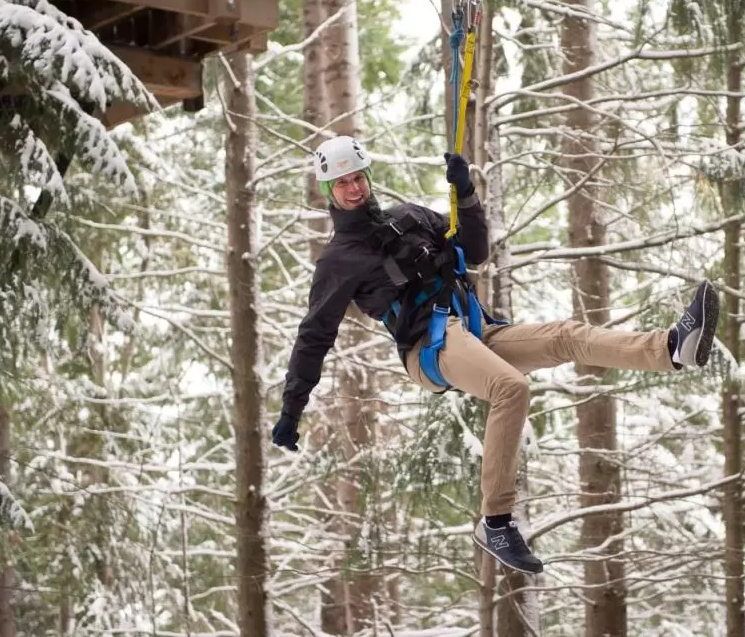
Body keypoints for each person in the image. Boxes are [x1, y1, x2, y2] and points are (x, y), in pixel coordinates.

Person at [271, 135, 721, 574]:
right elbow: (314, 335)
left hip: (474, 327)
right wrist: (293, 409)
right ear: (329, 191)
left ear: (368, 177)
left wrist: (465, 194)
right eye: (343, 183)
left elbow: (476, 251)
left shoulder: (408, 217)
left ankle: (670, 349)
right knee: (510, 387)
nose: (354, 189)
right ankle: (497, 521)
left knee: (565, 336)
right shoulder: (337, 261)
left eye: (359, 178)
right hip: (429, 348)